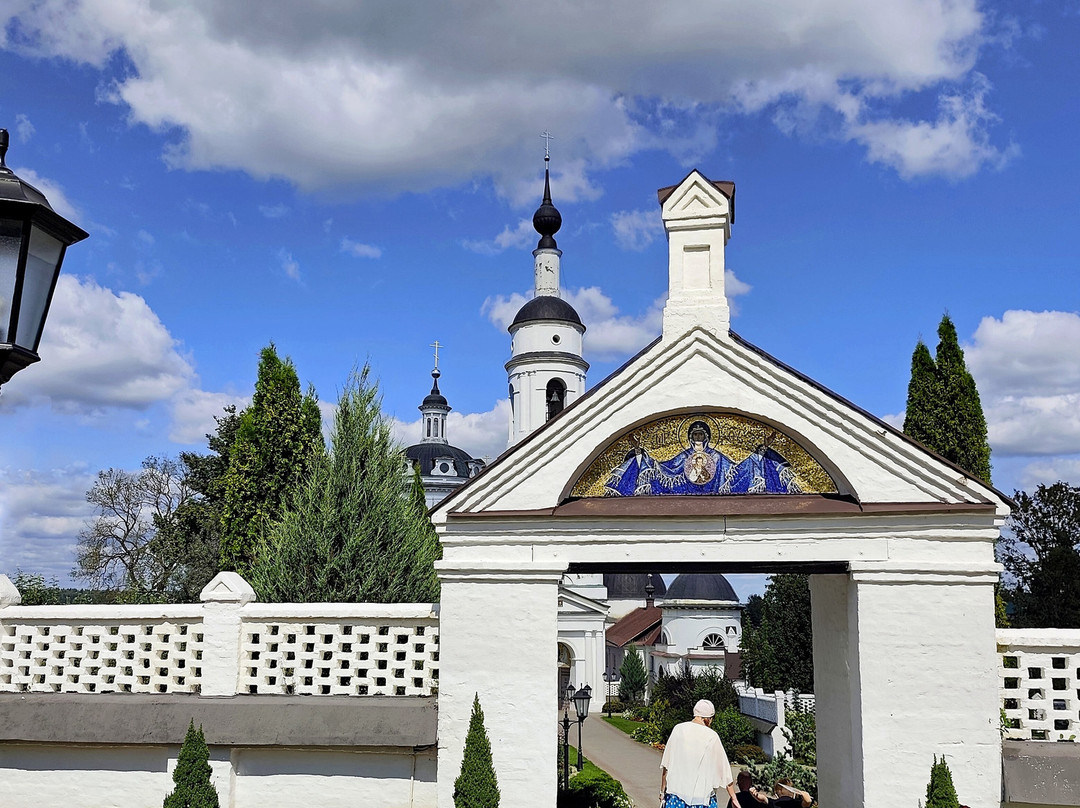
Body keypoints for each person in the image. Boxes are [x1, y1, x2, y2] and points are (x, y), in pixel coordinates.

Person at [659, 699, 739, 808]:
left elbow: (666, 765)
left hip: (676, 796)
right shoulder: (712, 736)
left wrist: (662, 791)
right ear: (708, 719)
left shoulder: (678, 729)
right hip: (701, 798)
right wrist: (733, 798)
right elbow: (724, 771)